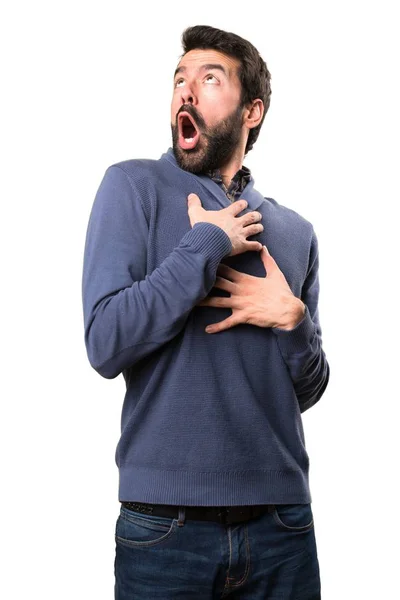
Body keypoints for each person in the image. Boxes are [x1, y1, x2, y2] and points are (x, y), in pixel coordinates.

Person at [82, 24, 330, 600]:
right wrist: (203, 247)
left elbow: (308, 389)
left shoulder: (294, 232)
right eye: (179, 79)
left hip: (283, 525)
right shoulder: (132, 188)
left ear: (252, 111)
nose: (186, 92)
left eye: (209, 78)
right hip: (164, 527)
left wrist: (293, 322)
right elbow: (105, 343)